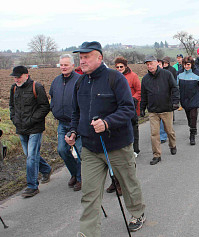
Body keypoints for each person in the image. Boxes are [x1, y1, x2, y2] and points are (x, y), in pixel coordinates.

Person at [66, 41, 146, 235]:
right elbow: (77, 113)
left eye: (86, 57)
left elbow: (128, 109)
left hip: (117, 145)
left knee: (128, 184)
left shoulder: (115, 78)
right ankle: (88, 233)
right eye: (80, 57)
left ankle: (137, 212)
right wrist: (73, 131)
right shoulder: (80, 82)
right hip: (90, 148)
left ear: (99, 57)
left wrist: (107, 122)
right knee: (89, 194)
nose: (82, 61)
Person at [9, 66, 51, 198]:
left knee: (31, 157)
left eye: (19, 76)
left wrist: (32, 120)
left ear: (26, 75)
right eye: (15, 77)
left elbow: (45, 107)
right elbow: (11, 106)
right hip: (21, 128)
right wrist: (14, 118)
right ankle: (46, 169)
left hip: (34, 128)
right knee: (29, 155)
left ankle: (32, 186)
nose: (16, 79)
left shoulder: (36, 87)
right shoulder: (14, 88)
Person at [105, 56, 142, 194]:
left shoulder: (133, 76)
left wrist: (132, 99)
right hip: (115, 114)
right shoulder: (112, 78)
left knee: (131, 134)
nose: (119, 69)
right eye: (117, 67)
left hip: (130, 110)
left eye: (121, 67)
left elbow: (139, 90)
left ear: (126, 66)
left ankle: (134, 151)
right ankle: (115, 181)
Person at [49, 54, 82, 191]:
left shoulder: (80, 80)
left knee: (80, 151)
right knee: (62, 150)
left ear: (73, 66)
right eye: (61, 65)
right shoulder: (56, 81)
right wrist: (54, 109)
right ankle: (74, 173)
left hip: (78, 122)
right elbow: (52, 97)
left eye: (66, 65)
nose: (63, 67)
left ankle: (81, 179)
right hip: (62, 123)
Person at [140, 55, 180, 165]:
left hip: (166, 109)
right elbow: (143, 95)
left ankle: (172, 145)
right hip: (153, 111)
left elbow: (174, 88)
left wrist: (175, 102)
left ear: (157, 63)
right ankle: (157, 155)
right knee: (154, 134)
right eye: (147, 64)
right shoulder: (145, 79)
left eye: (151, 63)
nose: (149, 66)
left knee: (169, 131)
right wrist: (142, 108)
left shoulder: (166, 75)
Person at [177, 56, 199, 145]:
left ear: (191, 64)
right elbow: (175, 87)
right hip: (184, 98)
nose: (186, 66)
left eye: (188, 64)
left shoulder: (197, 74)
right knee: (189, 117)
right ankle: (192, 127)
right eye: (185, 64)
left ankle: (192, 135)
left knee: (193, 116)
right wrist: (175, 99)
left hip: (195, 98)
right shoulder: (179, 74)